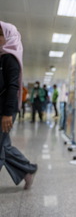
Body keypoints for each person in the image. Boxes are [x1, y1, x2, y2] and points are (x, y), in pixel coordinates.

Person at [0, 21, 38, 189]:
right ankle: (27, 170)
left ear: (9, 38)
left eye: (0, 34)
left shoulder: (10, 59)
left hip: (5, 110)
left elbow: (13, 87)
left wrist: (7, 113)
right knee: (4, 146)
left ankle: (28, 170)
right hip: (3, 109)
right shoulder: (2, 57)